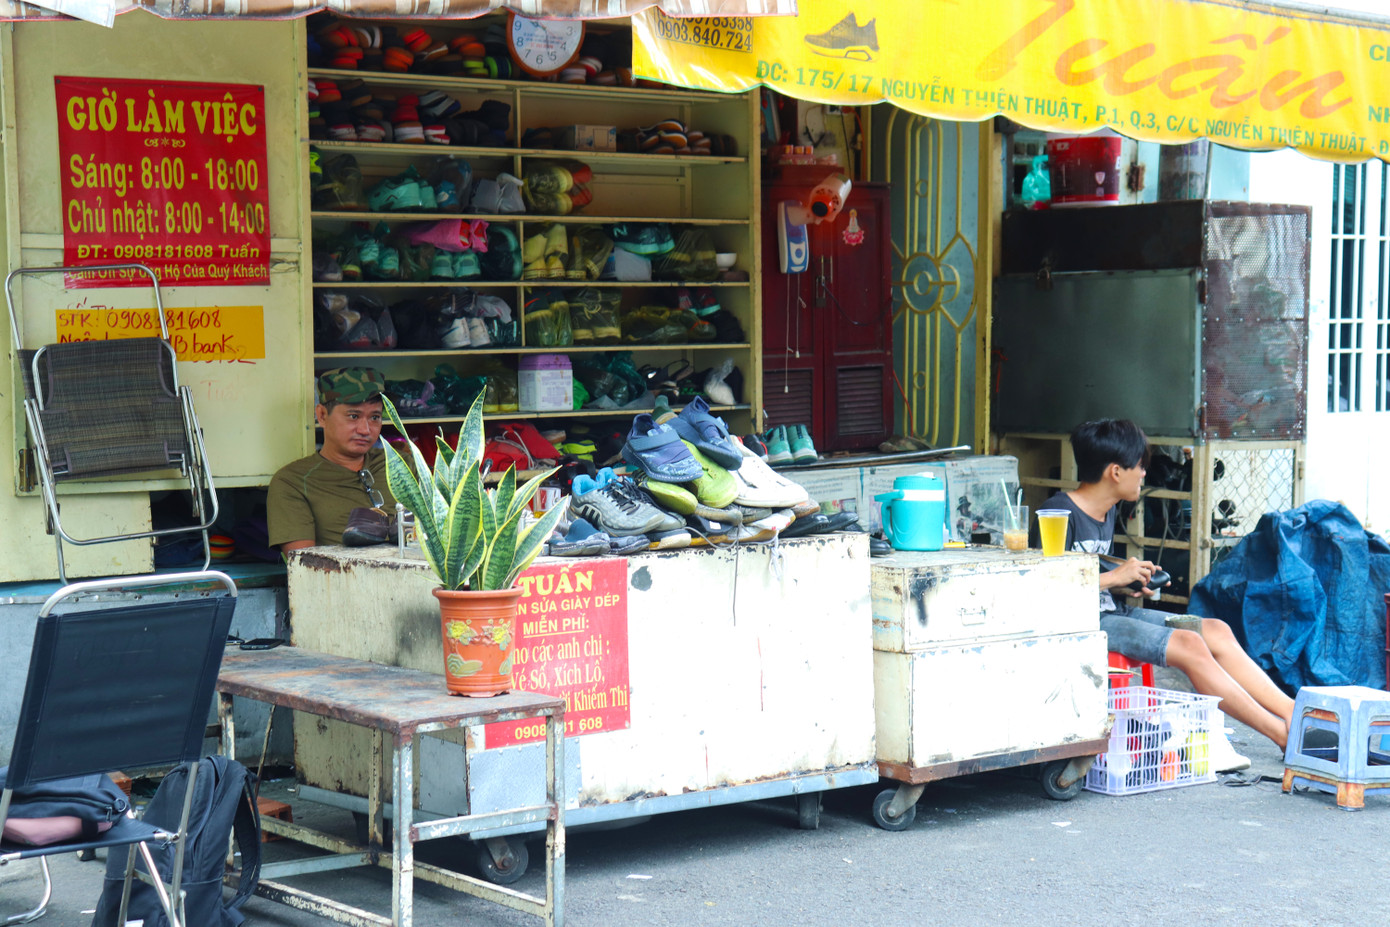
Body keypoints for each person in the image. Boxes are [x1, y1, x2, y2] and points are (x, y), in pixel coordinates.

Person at [1037, 419, 1295, 753]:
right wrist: (1115, 577)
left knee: (1215, 630)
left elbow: (1088, 574)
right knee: (1190, 645)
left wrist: (1128, 582)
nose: (1144, 474)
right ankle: (1281, 734)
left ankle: (1292, 713)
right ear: (1116, 472)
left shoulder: (1107, 512)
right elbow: (1044, 588)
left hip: (1110, 612)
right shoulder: (1056, 513)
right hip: (1081, 626)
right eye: (1140, 467)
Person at [268, 367, 398, 554]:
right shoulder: (292, 482)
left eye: (375, 417)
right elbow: (304, 567)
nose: (365, 429)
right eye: (353, 416)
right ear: (322, 415)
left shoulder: (401, 466)